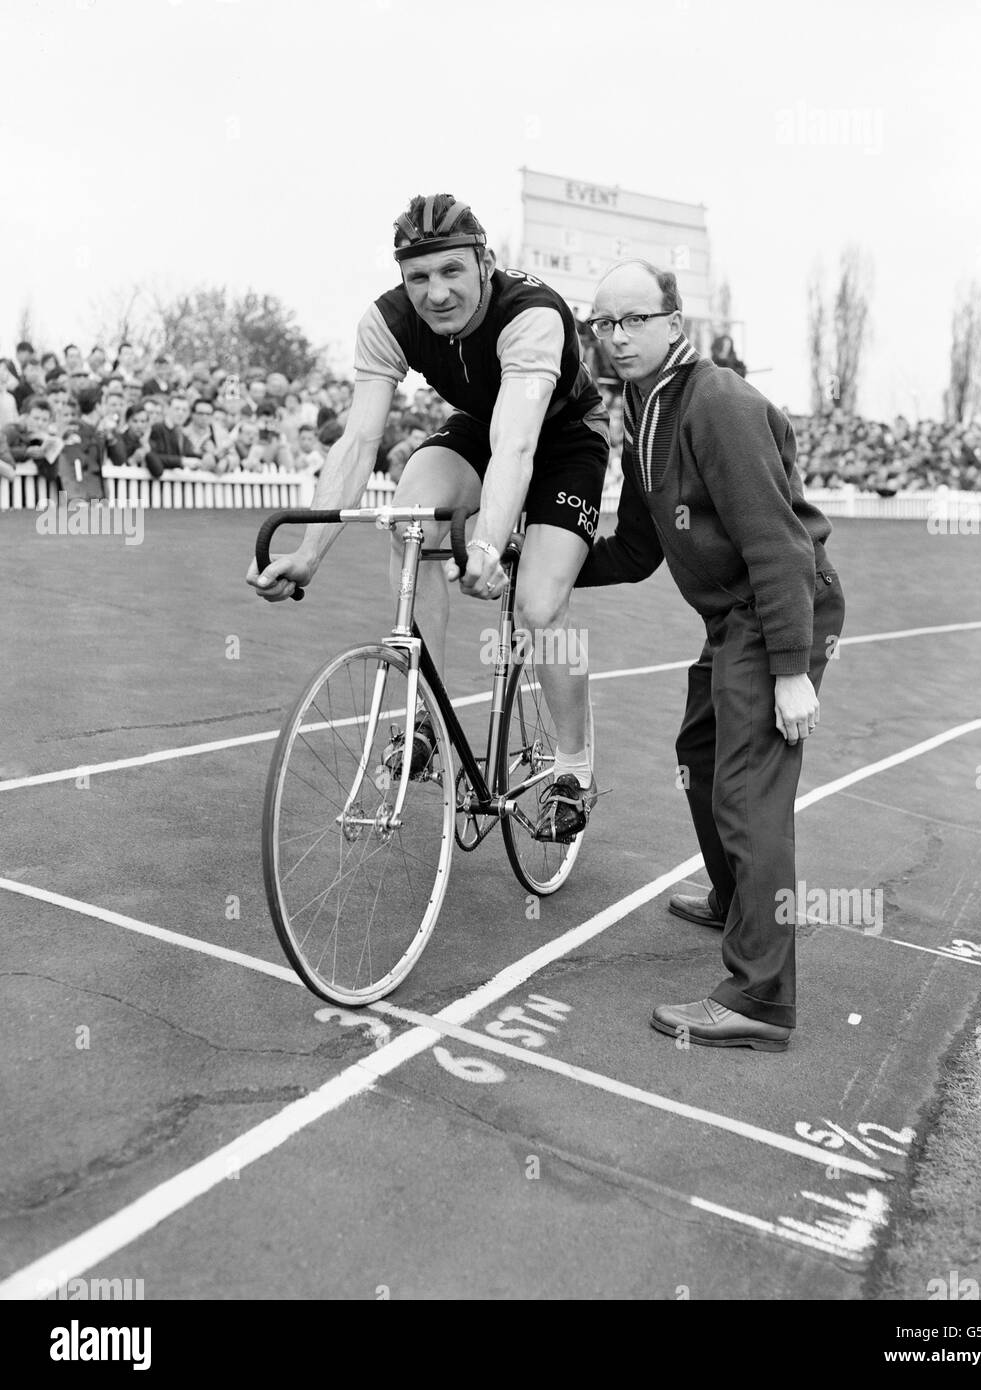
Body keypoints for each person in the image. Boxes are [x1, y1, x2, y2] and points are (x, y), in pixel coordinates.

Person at [248, 192, 611, 840]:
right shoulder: (386, 321)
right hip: (479, 426)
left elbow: (519, 444)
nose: (435, 292)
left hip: (561, 439)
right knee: (407, 517)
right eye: (418, 277)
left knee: (537, 606)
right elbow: (358, 442)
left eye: (451, 272)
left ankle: (574, 768)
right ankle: (425, 719)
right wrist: (306, 553)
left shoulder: (530, 315)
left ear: (485, 262)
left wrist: (487, 546)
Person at [574, 261, 846, 1052]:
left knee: (746, 793)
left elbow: (777, 541)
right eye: (602, 324)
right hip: (734, 619)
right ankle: (735, 899)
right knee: (697, 750)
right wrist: (534, 556)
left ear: (671, 323)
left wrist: (791, 672)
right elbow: (632, 551)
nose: (615, 338)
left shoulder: (717, 403)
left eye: (631, 321)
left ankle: (760, 999)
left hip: (776, 612)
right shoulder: (642, 406)